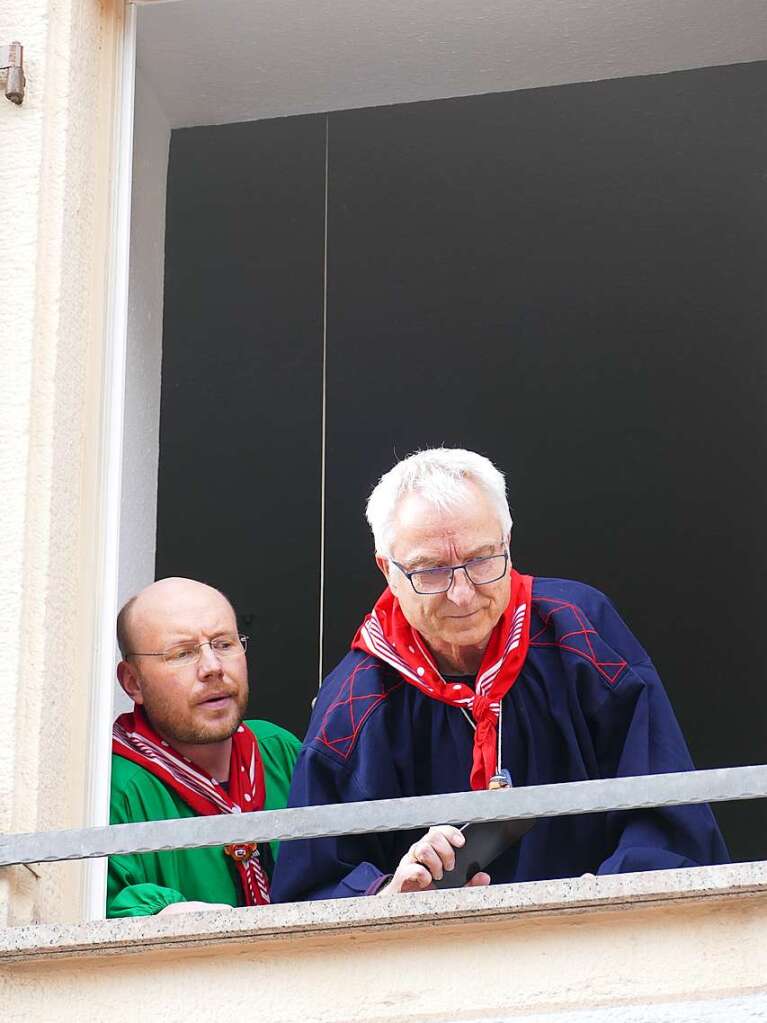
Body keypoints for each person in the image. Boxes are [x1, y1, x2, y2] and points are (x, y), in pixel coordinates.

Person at [271, 448, 728, 902]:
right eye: (432, 570)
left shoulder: (580, 632)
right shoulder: (353, 702)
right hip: (440, 962)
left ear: (508, 543)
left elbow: (666, 808)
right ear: (387, 570)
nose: (463, 593)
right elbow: (308, 888)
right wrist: (391, 892)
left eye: (482, 559)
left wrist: (610, 893)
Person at [108, 577, 300, 917]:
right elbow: (95, 904)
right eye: (182, 653)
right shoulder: (114, 788)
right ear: (133, 683)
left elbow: (345, 861)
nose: (213, 668)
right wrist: (163, 918)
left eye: (224, 644)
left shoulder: (279, 750)